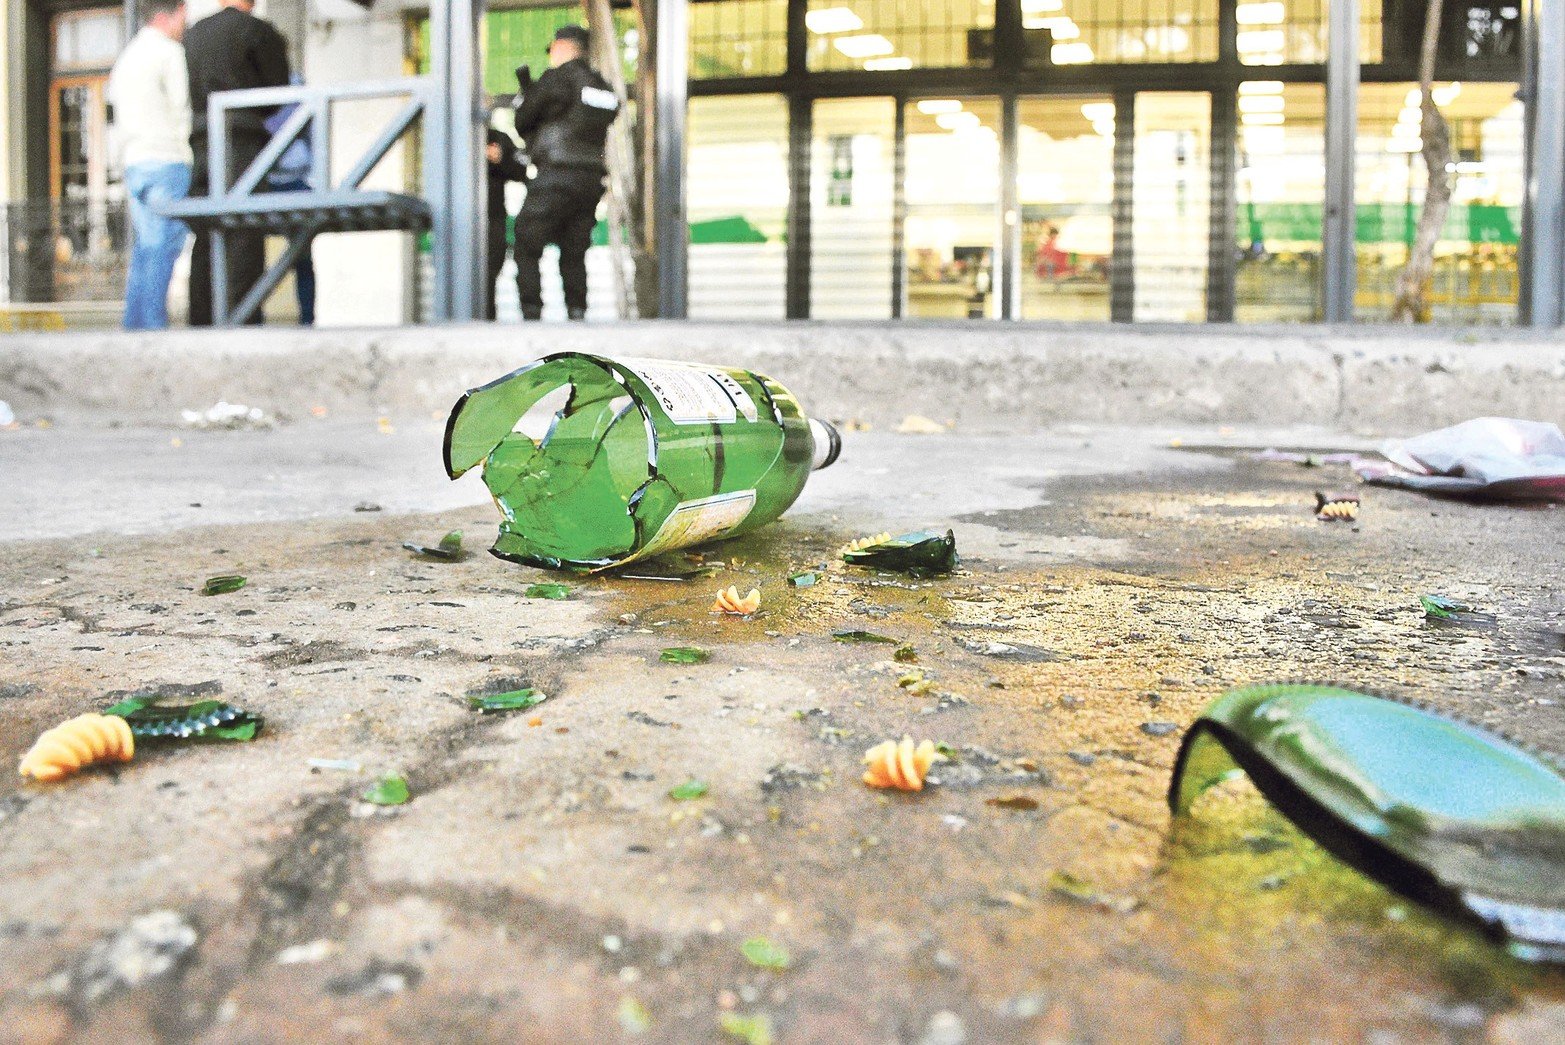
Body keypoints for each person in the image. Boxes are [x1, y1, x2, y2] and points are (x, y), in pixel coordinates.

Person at [183, 0, 290, 326]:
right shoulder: (258, 31)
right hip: (242, 140)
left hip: (202, 140)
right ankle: (242, 322)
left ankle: (201, 323)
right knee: (244, 230)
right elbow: (277, 91)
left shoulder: (194, 34)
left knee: (206, 231)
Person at [511, 24, 620, 321]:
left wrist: (527, 95)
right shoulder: (600, 86)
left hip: (557, 174)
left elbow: (523, 120)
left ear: (561, 47)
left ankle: (531, 311)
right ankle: (577, 311)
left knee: (526, 240)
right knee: (574, 247)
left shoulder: (557, 79)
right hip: (590, 179)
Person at [107, 0, 192, 330]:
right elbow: (181, 107)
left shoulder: (127, 57)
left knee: (145, 247)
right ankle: (154, 328)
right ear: (169, 14)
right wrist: (186, 151)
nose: (185, 25)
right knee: (163, 245)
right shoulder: (169, 52)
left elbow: (114, 115)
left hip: (134, 161)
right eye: (183, 16)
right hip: (166, 159)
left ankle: (134, 326)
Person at [264, 75, 316, 325]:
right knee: (247, 251)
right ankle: (250, 315)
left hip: (294, 183)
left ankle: (307, 319)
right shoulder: (261, 86)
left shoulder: (298, 89)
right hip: (262, 184)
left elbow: (311, 146)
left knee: (303, 254)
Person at [485, 127, 530, 320]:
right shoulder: (449, 136)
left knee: (490, 272)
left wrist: (500, 159)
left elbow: (521, 170)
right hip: (457, 221)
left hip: (493, 218)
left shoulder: (498, 138)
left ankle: (486, 321)